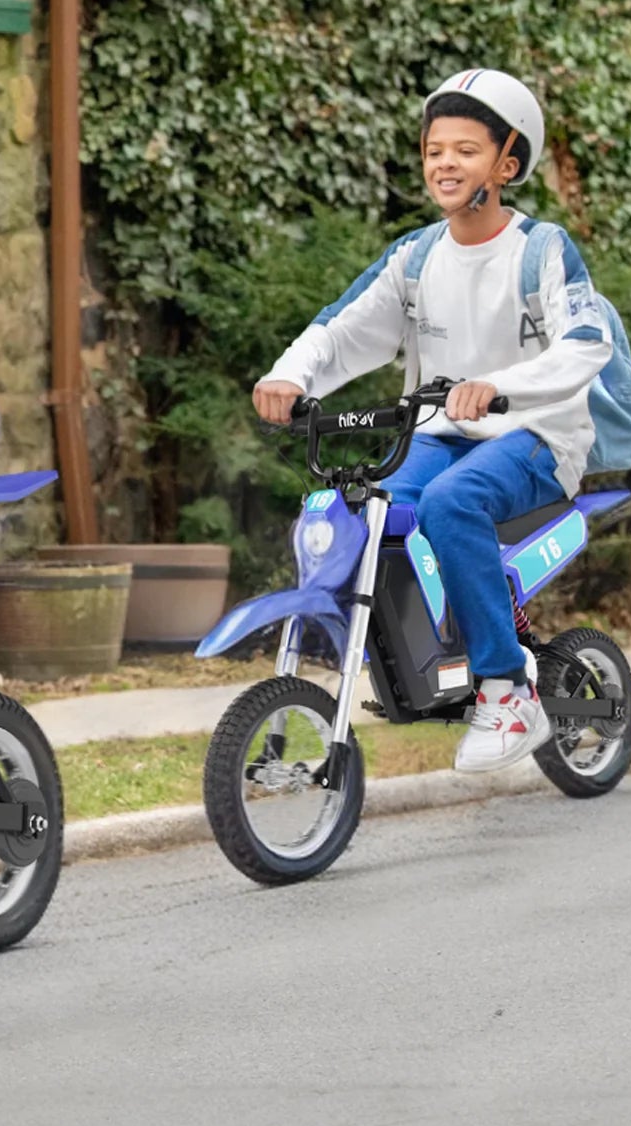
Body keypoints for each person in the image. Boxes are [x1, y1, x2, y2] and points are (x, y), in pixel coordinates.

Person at [254, 68, 612, 773]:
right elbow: (342, 328)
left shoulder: (541, 250)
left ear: (507, 164)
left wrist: (498, 387)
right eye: (433, 150)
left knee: (452, 504)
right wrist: (290, 374)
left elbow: (586, 342)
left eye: (466, 150)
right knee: (359, 510)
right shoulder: (416, 256)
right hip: (441, 434)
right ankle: (421, 663)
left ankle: (507, 692)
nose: (445, 163)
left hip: (535, 437)